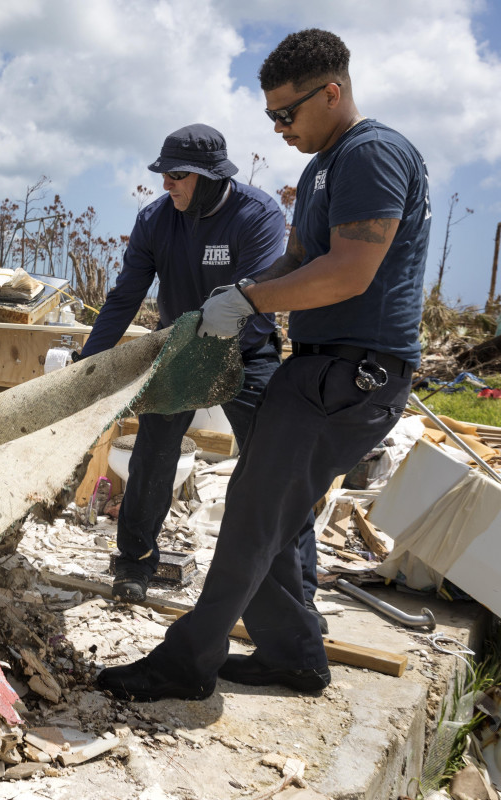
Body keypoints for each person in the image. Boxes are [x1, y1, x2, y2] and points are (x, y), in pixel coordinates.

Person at [96, 28, 430, 701]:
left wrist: (249, 300)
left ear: (331, 93)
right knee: (266, 509)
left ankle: (186, 663)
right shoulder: (320, 167)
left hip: (355, 374)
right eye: (271, 116)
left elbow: (351, 271)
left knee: (253, 513)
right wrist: (242, 292)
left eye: (287, 113)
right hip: (317, 369)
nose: (279, 128)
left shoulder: (372, 154)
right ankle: (293, 657)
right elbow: (299, 260)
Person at [77, 123, 324, 630]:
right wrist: (89, 364)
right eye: (164, 174)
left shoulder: (257, 215)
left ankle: (300, 596)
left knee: (277, 465)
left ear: (210, 178)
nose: (167, 183)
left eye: (178, 175)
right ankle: (135, 563)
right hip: (178, 350)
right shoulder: (156, 220)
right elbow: (125, 296)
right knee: (153, 453)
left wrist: (225, 337)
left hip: (247, 351)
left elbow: (261, 298)